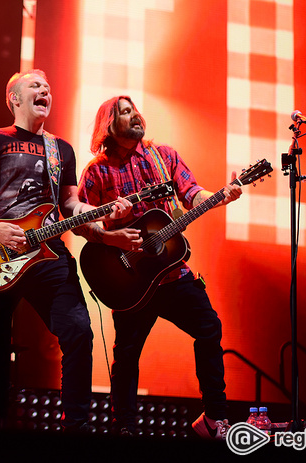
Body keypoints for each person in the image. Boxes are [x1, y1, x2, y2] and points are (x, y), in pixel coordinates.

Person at [0, 69, 131, 431]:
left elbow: (71, 206)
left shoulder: (60, 149)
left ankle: (75, 428)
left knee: (80, 331)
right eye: (35, 86)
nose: (44, 90)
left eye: (47, 88)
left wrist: (102, 214)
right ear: (15, 98)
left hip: (49, 253)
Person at [72, 95, 241, 440]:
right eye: (124, 111)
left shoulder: (163, 156)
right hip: (129, 279)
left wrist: (219, 195)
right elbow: (80, 224)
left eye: (134, 109)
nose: (134, 114)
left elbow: (191, 193)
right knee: (128, 356)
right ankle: (125, 429)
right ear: (108, 123)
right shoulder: (97, 170)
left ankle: (214, 418)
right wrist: (112, 237)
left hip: (172, 275)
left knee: (209, 327)